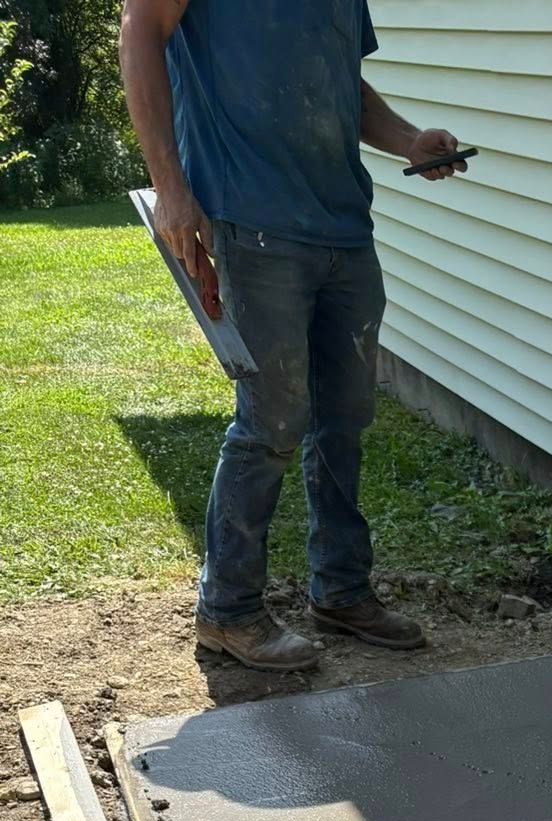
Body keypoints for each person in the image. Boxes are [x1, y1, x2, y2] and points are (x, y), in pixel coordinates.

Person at [120, 0, 466, 672]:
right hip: (251, 222)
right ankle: (228, 610)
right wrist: (171, 189)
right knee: (272, 420)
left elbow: (343, 89)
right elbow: (139, 29)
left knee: (344, 417)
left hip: (342, 225)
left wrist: (410, 140)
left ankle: (341, 589)